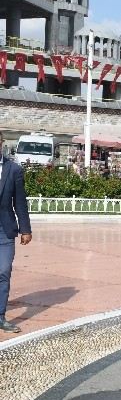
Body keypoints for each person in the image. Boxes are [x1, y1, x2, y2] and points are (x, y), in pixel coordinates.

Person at [0, 133, 32, 333]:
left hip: (5, 230)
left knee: (3, 271)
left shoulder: (14, 169)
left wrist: (25, 229)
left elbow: (19, 202)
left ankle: (1, 317)